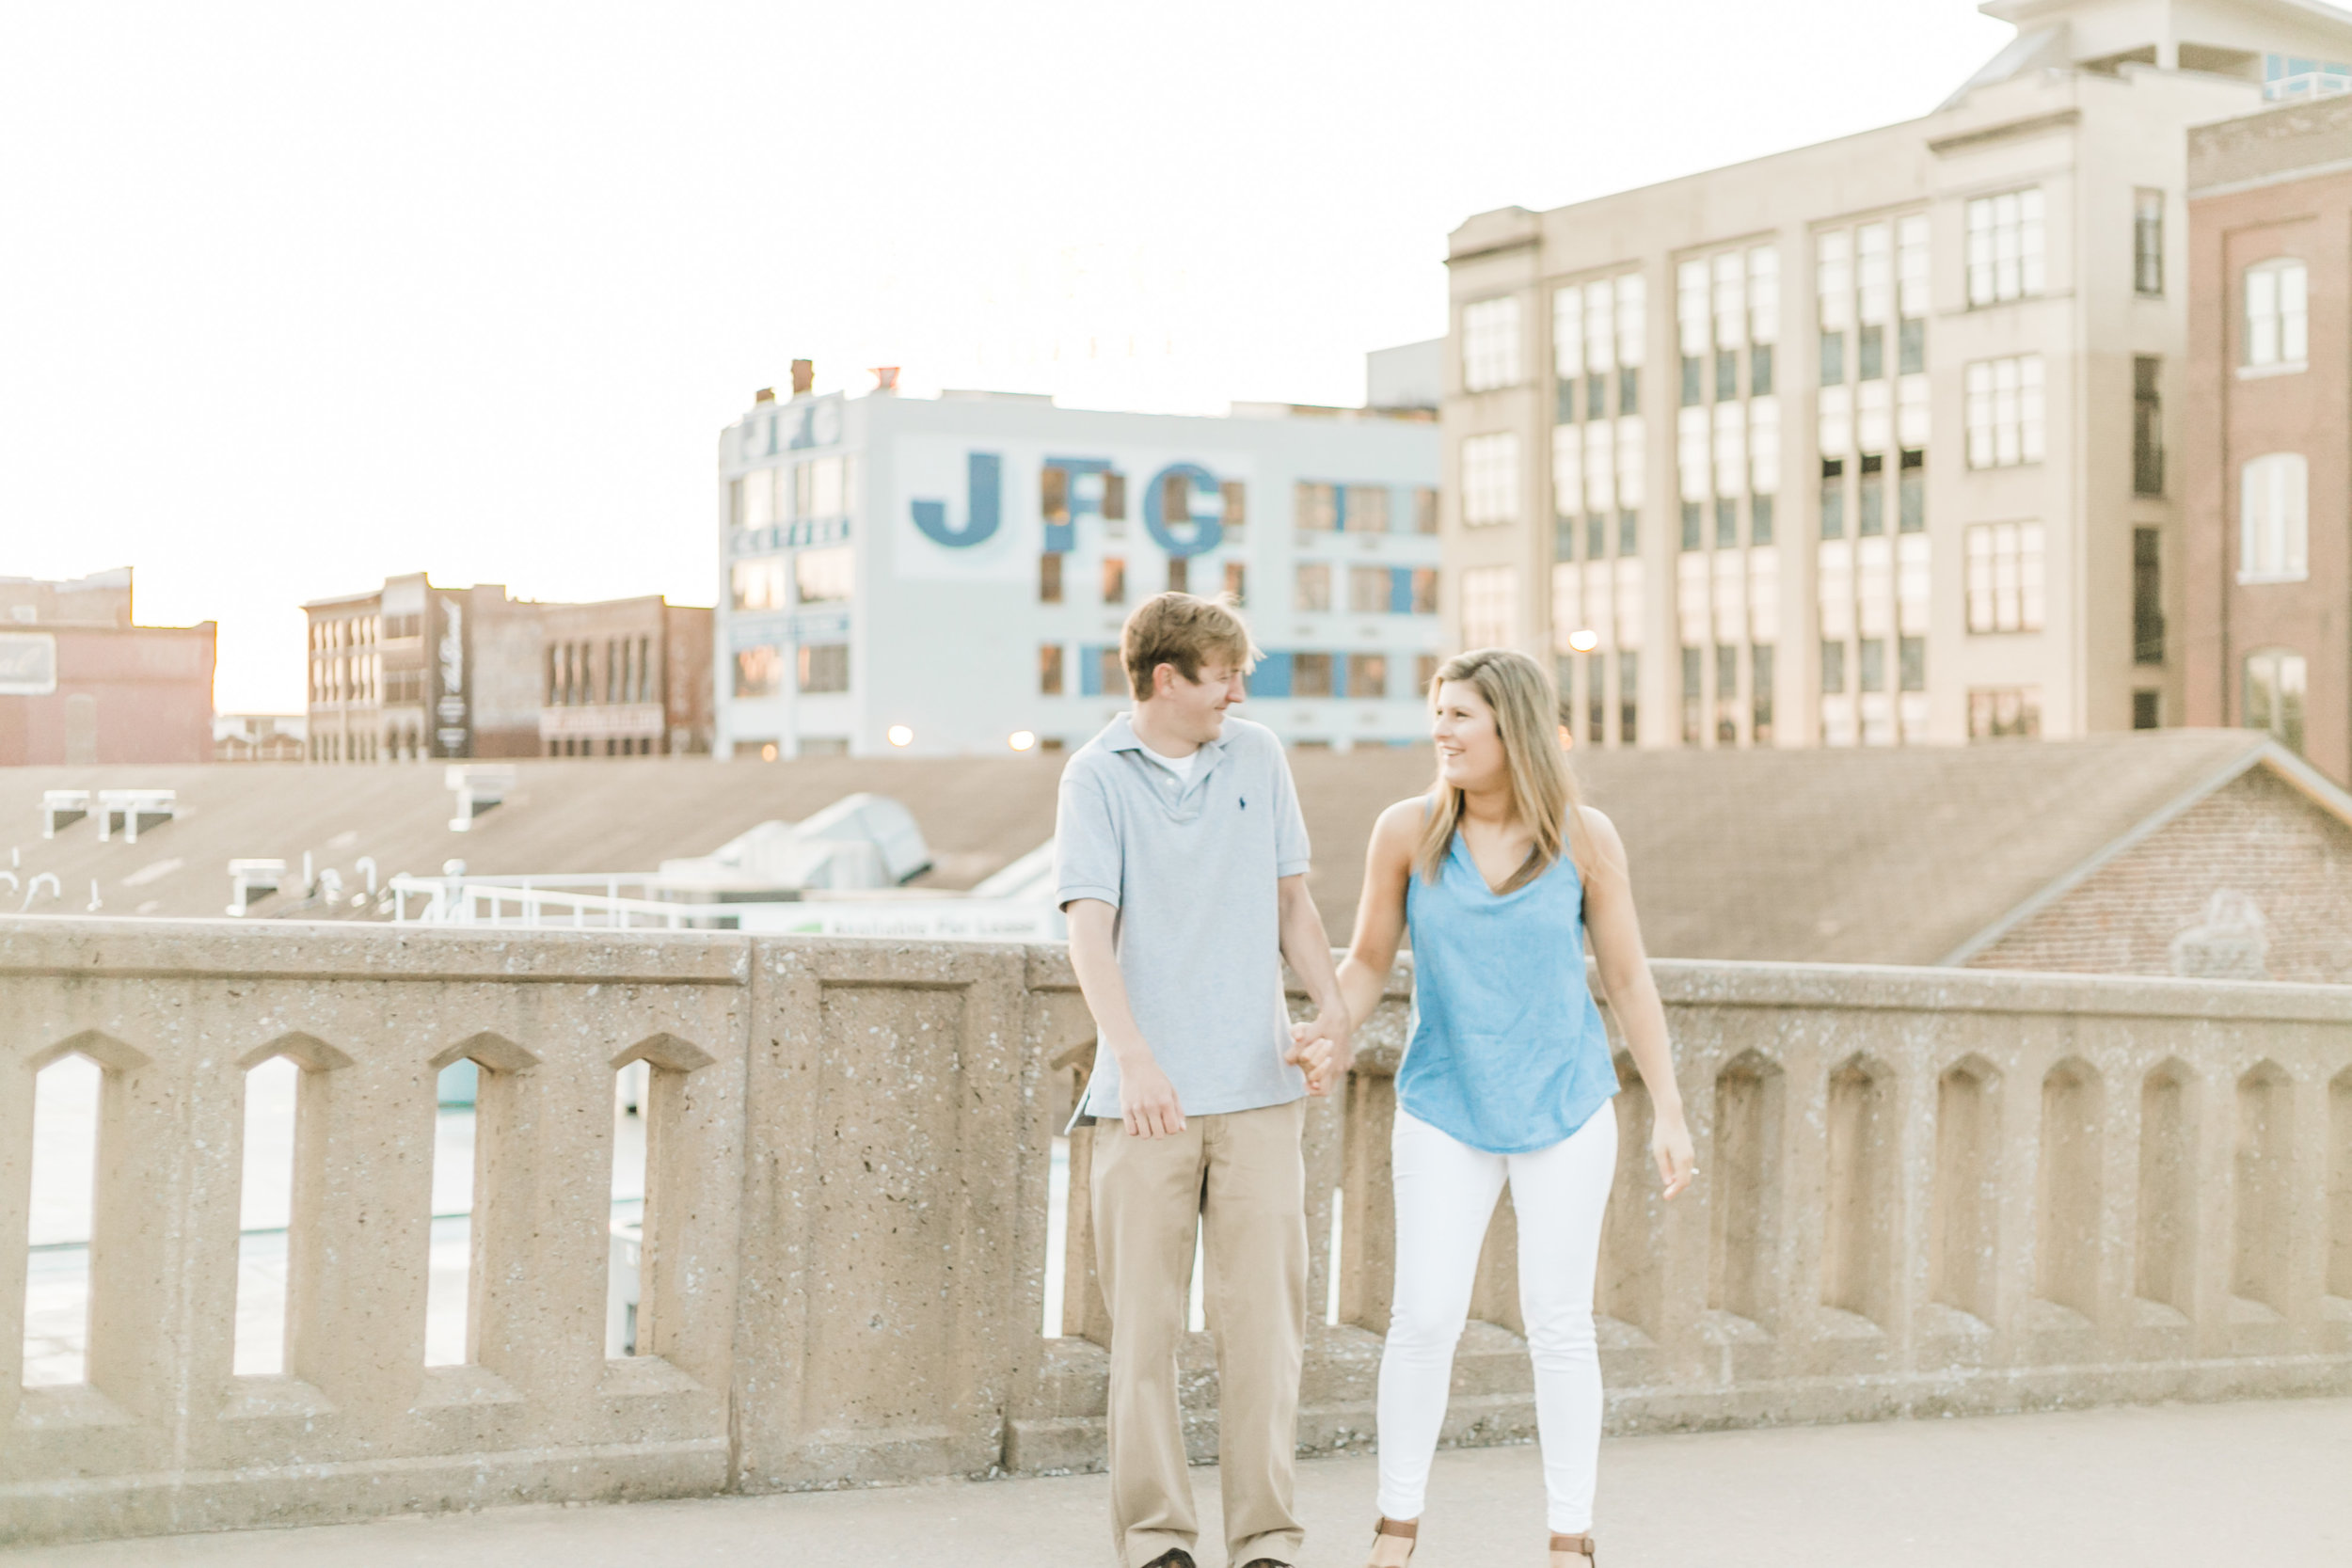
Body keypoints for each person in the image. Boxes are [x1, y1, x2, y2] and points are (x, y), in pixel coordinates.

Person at [1292, 648, 1695, 1567]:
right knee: (1424, 1314)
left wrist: (1667, 1109)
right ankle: (1395, 1529)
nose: (1442, 730)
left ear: (1510, 725)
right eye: (1437, 713)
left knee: (1557, 1319)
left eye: (1461, 715)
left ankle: (1569, 1536)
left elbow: (1628, 978)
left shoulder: (1585, 836)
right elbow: (1365, 960)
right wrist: (1328, 1027)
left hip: (1564, 1103)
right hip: (1443, 1099)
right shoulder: (1405, 830)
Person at [1056, 591, 1353, 1568]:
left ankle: (1265, 1539)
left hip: (1260, 1092)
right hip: (1142, 1106)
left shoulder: (1256, 755)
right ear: (1167, 677)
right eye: (1221, 671)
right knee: (1142, 1338)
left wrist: (1332, 1009)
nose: (1237, 687)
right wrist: (1134, 1057)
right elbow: (1087, 929)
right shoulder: (1095, 775)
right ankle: (1156, 1542)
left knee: (1265, 1334)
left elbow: (1291, 901)